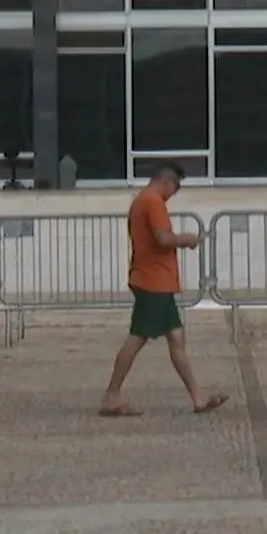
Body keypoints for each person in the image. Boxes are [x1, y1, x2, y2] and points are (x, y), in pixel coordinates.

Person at [98, 163, 230, 417]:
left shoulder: (142, 200)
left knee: (176, 338)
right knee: (138, 337)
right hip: (153, 281)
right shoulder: (153, 202)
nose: (174, 193)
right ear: (167, 181)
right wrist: (187, 240)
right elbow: (163, 238)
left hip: (156, 280)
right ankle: (111, 395)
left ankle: (198, 396)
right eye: (176, 187)